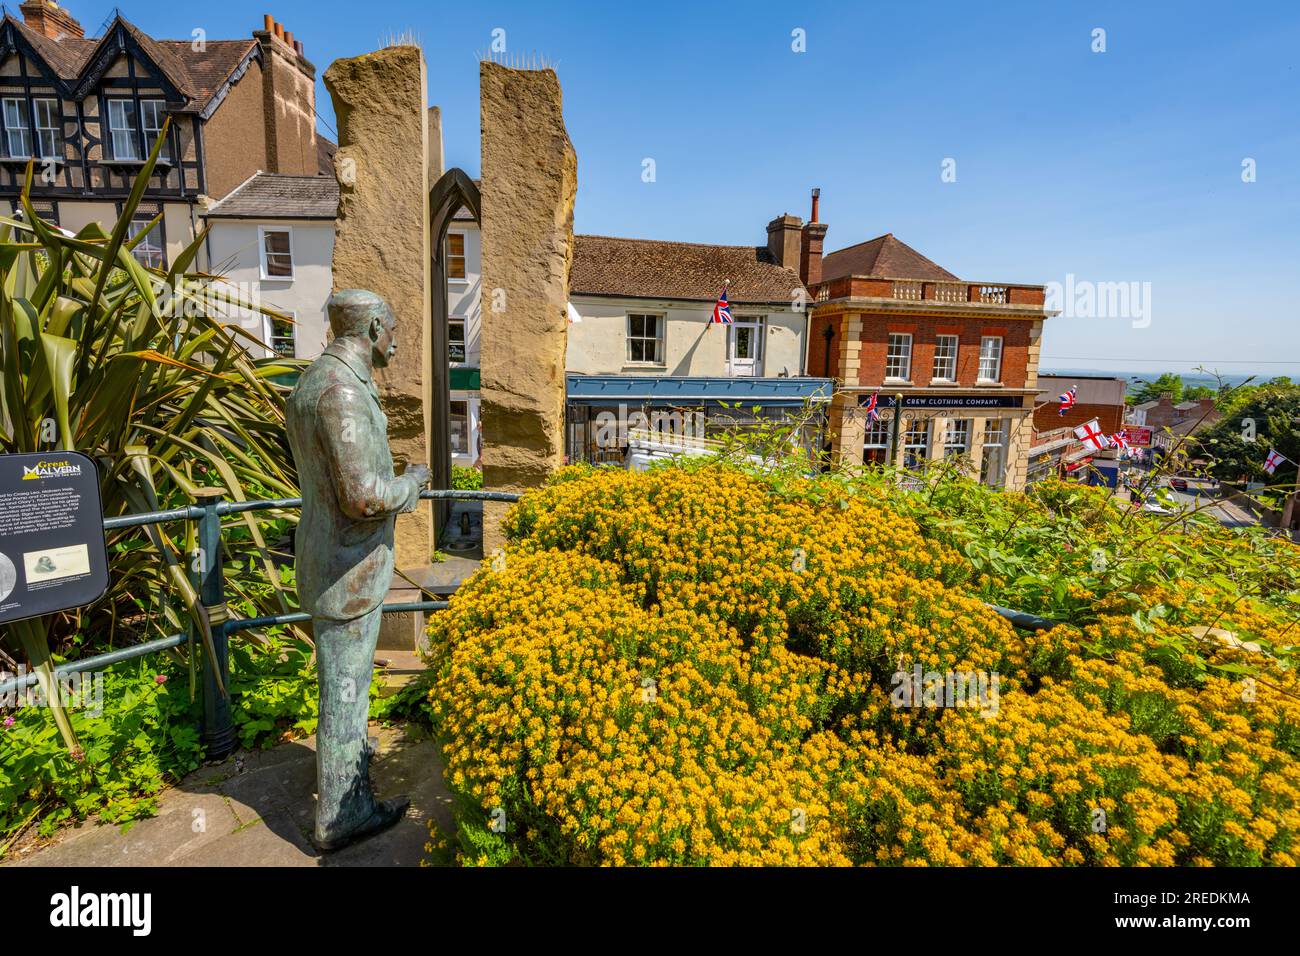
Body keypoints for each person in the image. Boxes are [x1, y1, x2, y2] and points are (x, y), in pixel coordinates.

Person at [285, 289, 431, 851]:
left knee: (345, 690)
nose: (395, 340)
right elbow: (362, 497)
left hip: (333, 564)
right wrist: (411, 485)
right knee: (345, 693)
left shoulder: (314, 380)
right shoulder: (340, 391)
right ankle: (343, 814)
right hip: (346, 573)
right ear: (372, 327)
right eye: (392, 329)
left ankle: (348, 776)